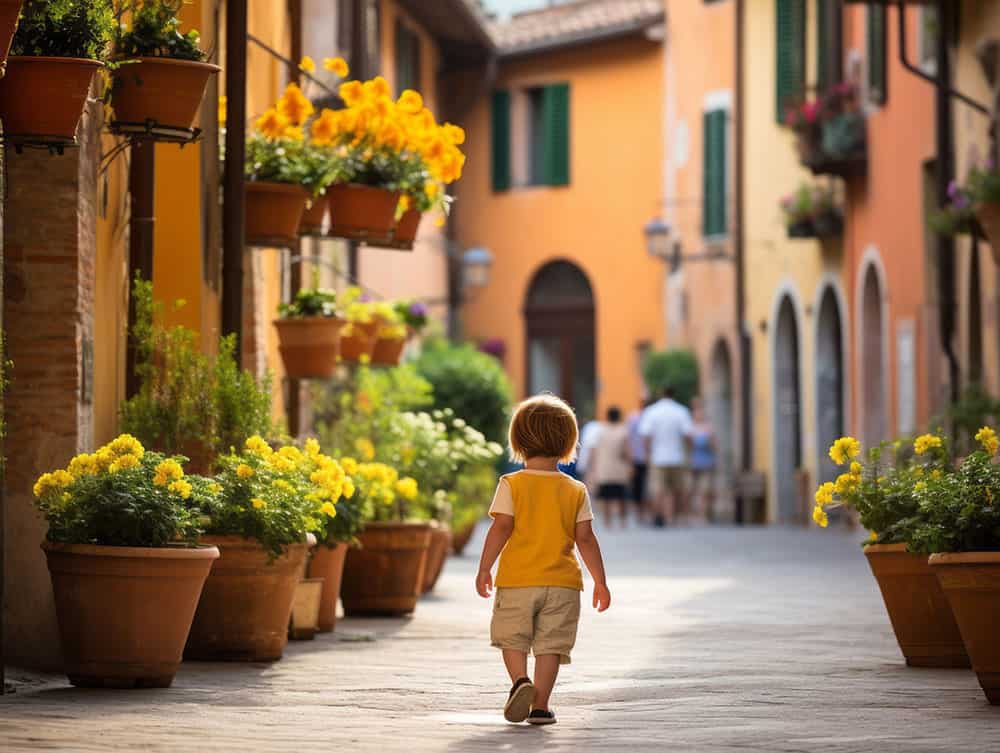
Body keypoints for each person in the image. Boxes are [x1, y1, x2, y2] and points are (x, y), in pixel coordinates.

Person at [476, 394, 611, 726]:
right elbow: (585, 539)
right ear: (568, 441)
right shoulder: (575, 489)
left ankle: (520, 681)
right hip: (563, 584)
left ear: (518, 440)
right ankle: (540, 706)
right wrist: (600, 581)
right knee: (551, 646)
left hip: (518, 579)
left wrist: (484, 568)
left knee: (513, 638)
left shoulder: (512, 484)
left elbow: (501, 528)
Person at [638, 386, 693, 527]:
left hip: (657, 456)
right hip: (677, 456)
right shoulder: (681, 411)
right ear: (673, 395)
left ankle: (659, 515)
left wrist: (648, 453)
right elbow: (688, 435)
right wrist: (689, 451)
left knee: (657, 489)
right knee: (676, 489)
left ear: (661, 394)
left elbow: (645, 436)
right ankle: (672, 517)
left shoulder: (652, 411)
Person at [587, 406, 632, 527]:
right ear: (619, 416)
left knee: (606, 497)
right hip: (619, 469)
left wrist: (593, 468)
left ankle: (607, 522)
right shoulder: (623, 431)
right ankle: (623, 522)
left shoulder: (601, 431)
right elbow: (627, 452)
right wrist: (630, 465)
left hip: (604, 469)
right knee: (621, 497)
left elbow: (595, 450)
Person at [686, 397, 718, 522]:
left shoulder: (708, 428)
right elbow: (687, 446)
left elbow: (715, 445)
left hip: (707, 462)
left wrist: (710, 444)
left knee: (706, 489)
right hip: (694, 462)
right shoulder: (690, 427)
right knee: (692, 489)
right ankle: (694, 513)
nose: (698, 415)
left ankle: (705, 513)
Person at [626, 398, 652, 522]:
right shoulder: (634, 418)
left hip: (641, 457)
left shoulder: (636, 418)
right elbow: (629, 438)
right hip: (640, 457)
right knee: (639, 485)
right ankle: (640, 513)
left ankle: (643, 513)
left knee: (642, 486)